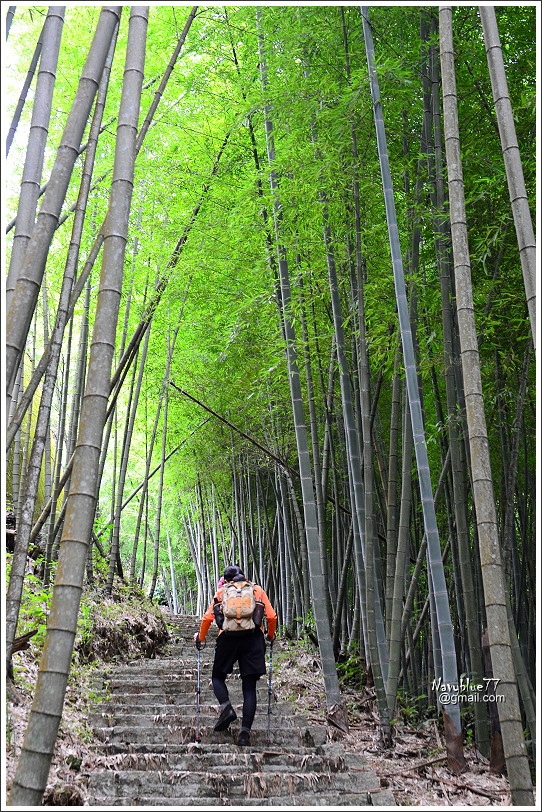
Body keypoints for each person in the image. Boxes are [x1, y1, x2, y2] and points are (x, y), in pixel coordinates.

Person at [194, 564, 277, 747]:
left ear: (226, 580)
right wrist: (270, 635)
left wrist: (200, 638)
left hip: (228, 638)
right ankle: (244, 734)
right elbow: (271, 617)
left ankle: (227, 708)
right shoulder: (256, 590)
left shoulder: (223, 592)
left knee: (217, 677)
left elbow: (207, 618)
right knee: (249, 688)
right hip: (253, 639)